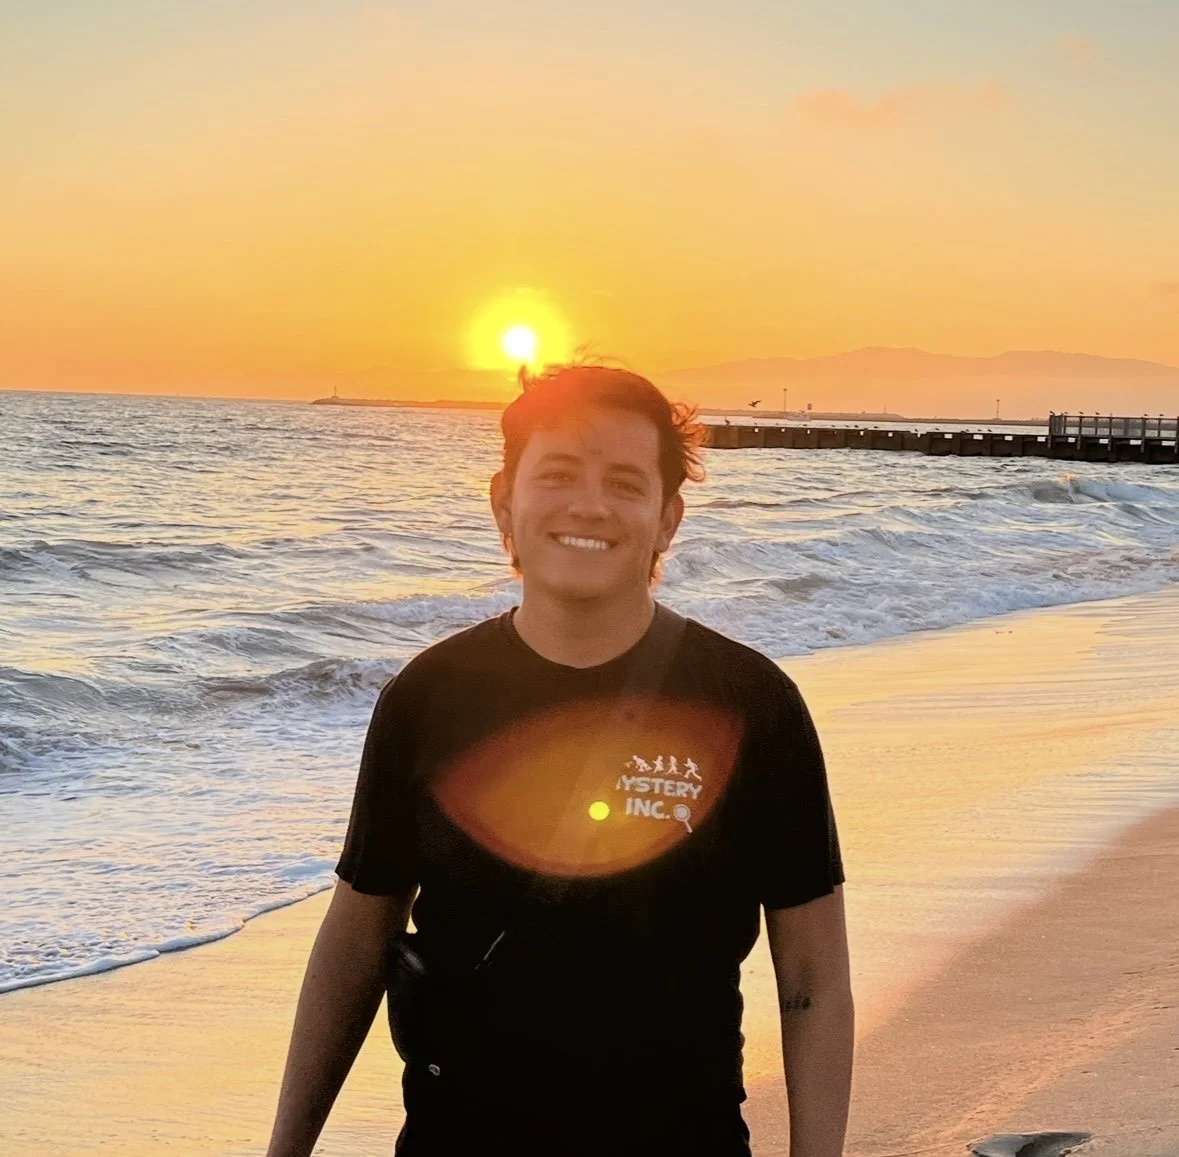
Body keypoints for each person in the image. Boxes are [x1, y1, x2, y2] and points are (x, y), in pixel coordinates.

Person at [266, 363, 853, 1157]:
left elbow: (812, 979)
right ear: (504, 502)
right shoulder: (428, 694)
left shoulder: (750, 703)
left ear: (667, 519)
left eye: (623, 482)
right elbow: (355, 934)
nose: (588, 504)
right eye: (558, 474)